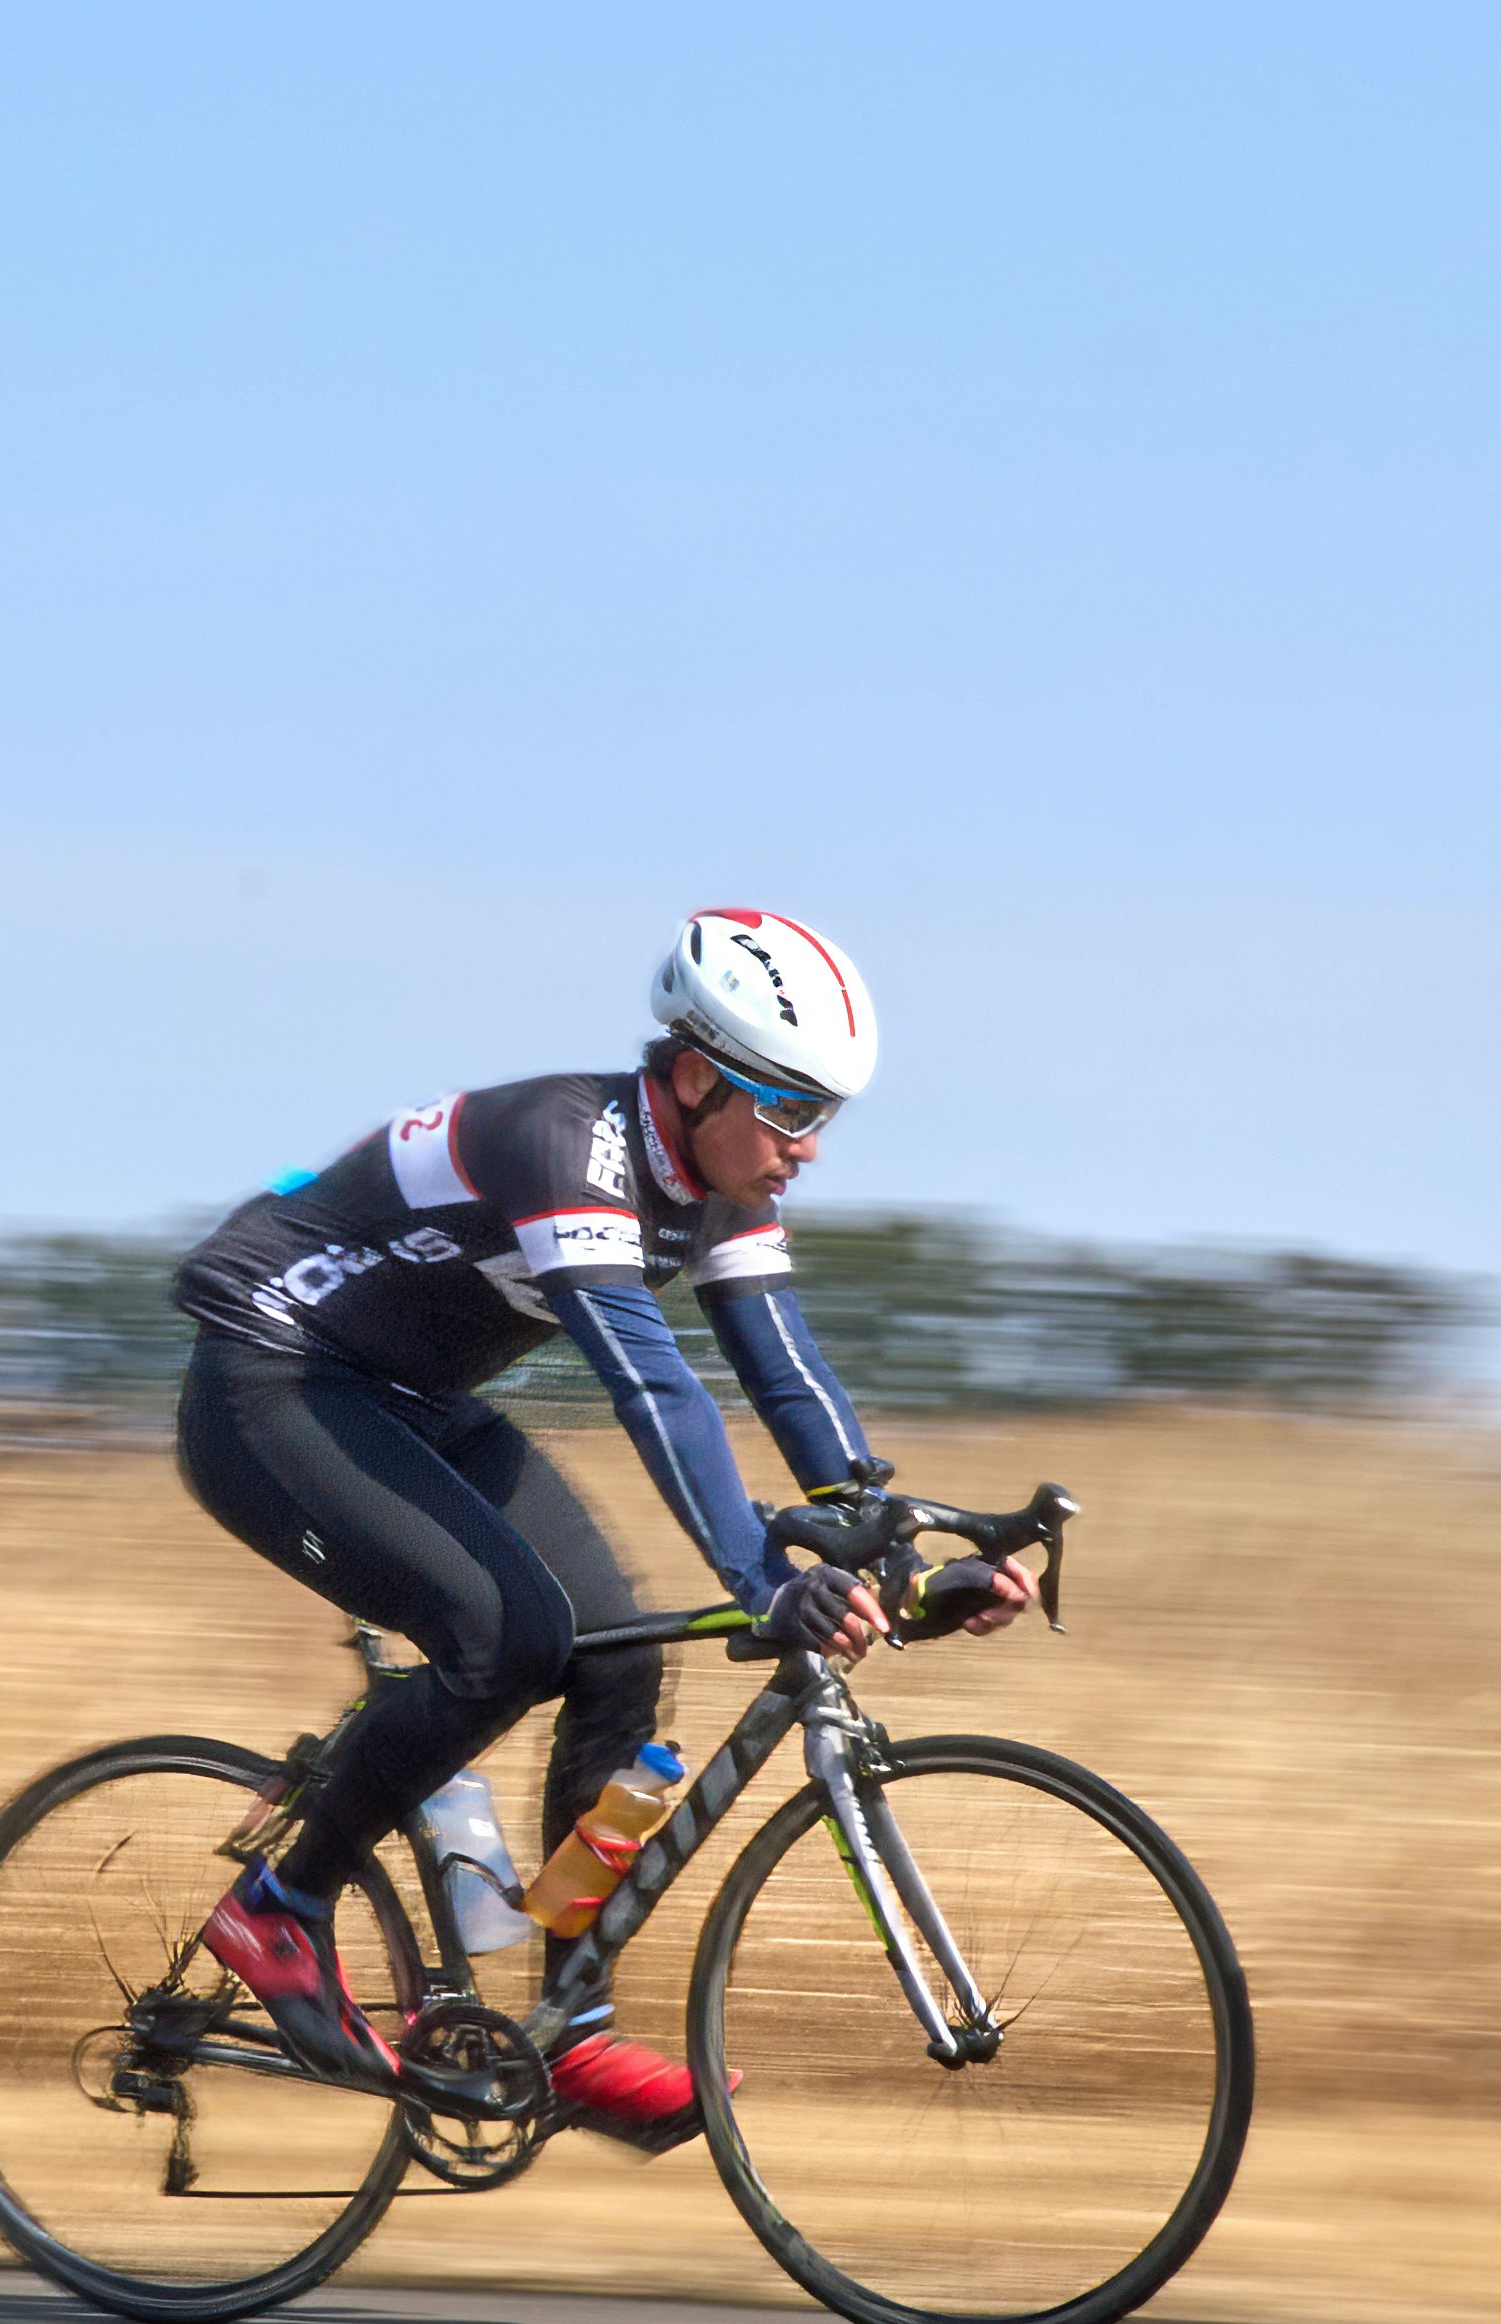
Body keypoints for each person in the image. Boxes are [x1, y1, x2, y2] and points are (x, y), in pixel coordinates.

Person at [163, 907, 1029, 2151]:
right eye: (790, 1113)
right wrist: (753, 1572)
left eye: (823, 1117)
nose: (809, 1150)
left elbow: (784, 1375)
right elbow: (650, 1381)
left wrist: (890, 1549)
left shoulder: (720, 1186)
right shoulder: (563, 1143)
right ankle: (279, 1907)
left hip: (409, 1405)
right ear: (692, 1077)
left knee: (616, 1648)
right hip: (270, 1387)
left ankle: (565, 2032)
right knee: (506, 1639)